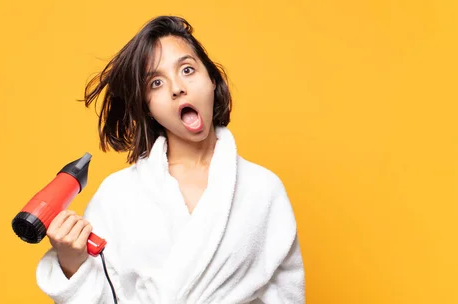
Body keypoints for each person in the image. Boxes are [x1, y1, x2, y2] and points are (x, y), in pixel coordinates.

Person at [35, 15, 305, 303]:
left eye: (187, 69)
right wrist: (70, 260)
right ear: (148, 107)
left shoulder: (263, 190)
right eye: (156, 83)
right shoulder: (117, 195)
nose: (177, 88)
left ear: (212, 80)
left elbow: (286, 293)